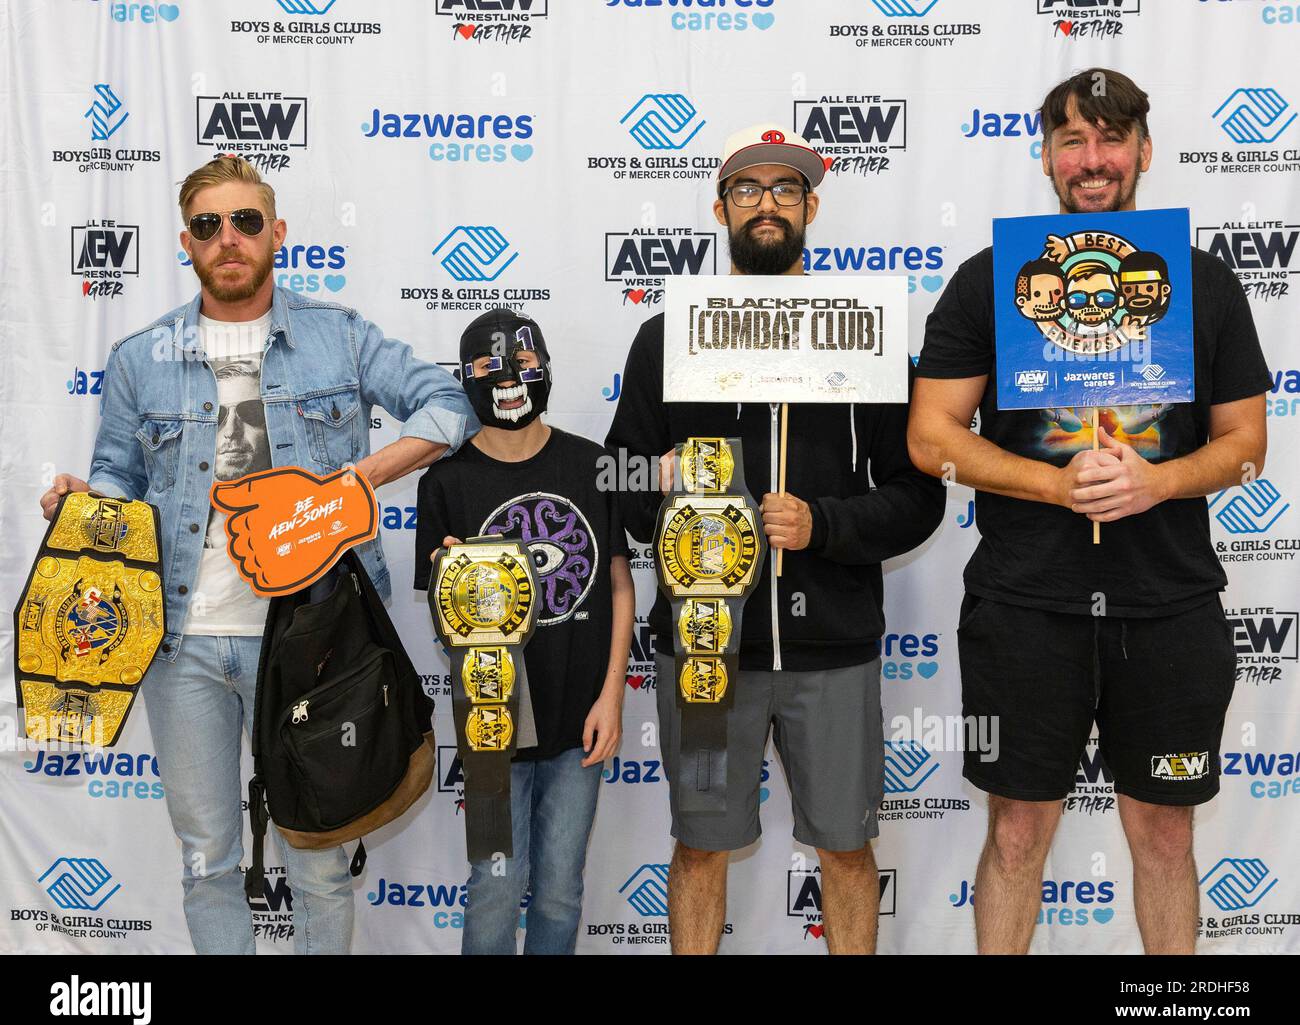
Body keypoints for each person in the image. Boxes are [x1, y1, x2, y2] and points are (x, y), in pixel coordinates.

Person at [38, 156, 478, 954]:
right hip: (184, 643)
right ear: (187, 243)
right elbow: (117, 477)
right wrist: (87, 505)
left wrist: (357, 479)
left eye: (245, 222)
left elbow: (452, 406)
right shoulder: (143, 356)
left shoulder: (337, 336)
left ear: (276, 232)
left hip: (316, 637)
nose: (228, 239)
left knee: (316, 859)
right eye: (209, 226)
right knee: (208, 857)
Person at [908, 68, 1270, 954]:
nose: (1093, 159)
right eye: (1073, 141)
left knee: (1166, 835)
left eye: (1111, 139)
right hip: (1028, 602)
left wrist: (1160, 480)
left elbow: (1248, 444)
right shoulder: (991, 279)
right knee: (1018, 834)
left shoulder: (1206, 282)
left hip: (1170, 602)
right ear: (1046, 157)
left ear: (1145, 152)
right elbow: (929, 437)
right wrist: (1053, 483)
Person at [604, 124, 945, 954]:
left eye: (785, 190)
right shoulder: (668, 334)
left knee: (847, 848)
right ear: (720, 208)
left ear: (811, 207)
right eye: (749, 189)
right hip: (706, 648)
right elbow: (613, 477)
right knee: (700, 846)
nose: (767, 204)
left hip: (831, 645)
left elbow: (919, 495)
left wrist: (824, 524)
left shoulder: (861, 336)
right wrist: (662, 481)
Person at [414, 307, 634, 955]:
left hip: (580, 718)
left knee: (562, 887)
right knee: (493, 885)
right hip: (489, 724)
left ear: (544, 369)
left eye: (525, 363)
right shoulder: (444, 482)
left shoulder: (593, 465)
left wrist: (613, 694)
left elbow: (620, 583)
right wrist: (451, 581)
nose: (509, 376)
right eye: (488, 365)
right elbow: (441, 616)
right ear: (465, 378)